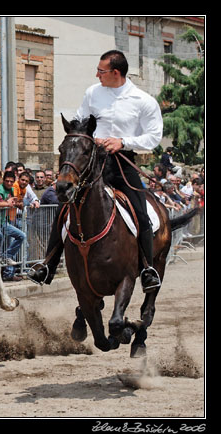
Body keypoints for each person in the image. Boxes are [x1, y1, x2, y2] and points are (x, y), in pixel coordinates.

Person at [28, 50, 164, 292]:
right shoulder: (93, 93)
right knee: (63, 208)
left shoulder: (143, 101)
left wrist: (123, 141)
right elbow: (80, 121)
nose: (96, 74)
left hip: (122, 161)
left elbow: (154, 136)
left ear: (115, 73)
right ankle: (47, 265)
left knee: (141, 214)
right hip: (92, 163)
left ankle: (147, 269)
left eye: (101, 71)